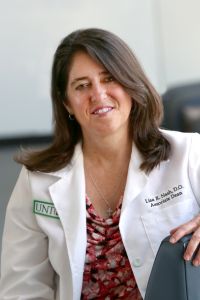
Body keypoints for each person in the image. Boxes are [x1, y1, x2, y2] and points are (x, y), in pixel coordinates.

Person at [0, 28, 200, 300]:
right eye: (82, 85)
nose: (98, 94)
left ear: (131, 84)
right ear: (66, 103)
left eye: (109, 79)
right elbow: (22, 288)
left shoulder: (188, 153)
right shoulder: (38, 180)